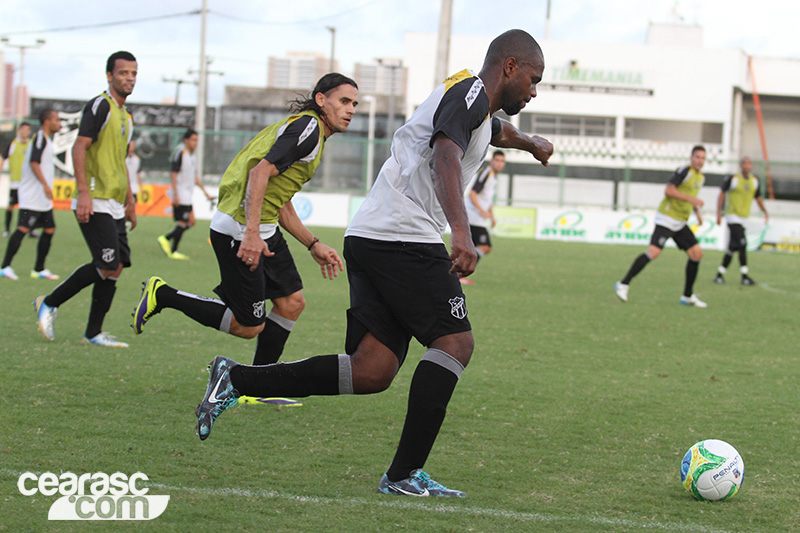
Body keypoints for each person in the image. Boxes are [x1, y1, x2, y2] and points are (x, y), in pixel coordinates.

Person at [191, 29, 553, 498]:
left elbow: (495, 130)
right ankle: (403, 475)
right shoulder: (468, 93)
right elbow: (446, 152)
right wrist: (461, 232)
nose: (534, 90)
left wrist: (530, 142)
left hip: (375, 235)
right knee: (455, 343)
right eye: (533, 78)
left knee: (371, 371)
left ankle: (234, 377)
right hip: (403, 235)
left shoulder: (477, 107)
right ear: (509, 66)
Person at [133, 73, 356, 366]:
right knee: (248, 326)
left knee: (291, 303)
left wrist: (312, 243)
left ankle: (259, 385)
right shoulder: (308, 129)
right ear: (321, 100)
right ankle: (163, 295)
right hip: (241, 229)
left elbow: (280, 200)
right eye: (344, 101)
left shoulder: (308, 130)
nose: (351, 109)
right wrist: (251, 234)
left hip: (262, 227)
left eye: (354, 103)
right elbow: (258, 173)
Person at [33, 51, 138, 347]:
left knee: (115, 267)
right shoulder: (99, 106)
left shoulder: (127, 116)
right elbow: (79, 148)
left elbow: (120, 160)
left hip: (115, 202)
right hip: (94, 198)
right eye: (123, 73)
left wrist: (130, 201)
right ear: (109, 76)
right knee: (106, 263)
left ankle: (93, 332)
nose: (129, 78)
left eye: (133, 73)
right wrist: (82, 193)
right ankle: (49, 302)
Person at [615, 145, 708, 307]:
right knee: (653, 253)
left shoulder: (701, 178)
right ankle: (623, 284)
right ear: (691, 158)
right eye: (697, 157)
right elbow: (669, 190)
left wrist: (698, 213)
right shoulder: (684, 171)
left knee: (696, 254)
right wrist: (692, 200)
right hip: (666, 218)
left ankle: (687, 296)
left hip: (680, 222)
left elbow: (692, 197)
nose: (700, 161)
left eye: (703, 158)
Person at [0, 110, 61, 281]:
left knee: (50, 229)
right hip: (32, 196)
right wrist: (45, 185)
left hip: (41, 199)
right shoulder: (40, 137)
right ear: (47, 121)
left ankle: (38, 269)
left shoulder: (46, 139)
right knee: (23, 229)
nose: (60, 123)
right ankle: (5, 267)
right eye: (57, 120)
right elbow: (35, 162)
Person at [156, 129, 213, 260]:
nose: (195, 143)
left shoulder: (192, 156)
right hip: (181, 194)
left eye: (197, 140)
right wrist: (175, 194)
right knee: (183, 222)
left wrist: (205, 192)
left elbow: (194, 177)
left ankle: (167, 238)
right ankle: (173, 248)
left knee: (191, 222)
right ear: (186, 140)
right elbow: (173, 174)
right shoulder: (181, 153)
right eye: (193, 140)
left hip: (187, 194)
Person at [714, 156, 768, 285]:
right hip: (733, 216)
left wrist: (765, 211)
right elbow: (722, 193)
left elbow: (758, 197)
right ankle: (744, 276)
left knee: (733, 247)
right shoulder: (733, 179)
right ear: (740, 165)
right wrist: (719, 213)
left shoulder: (754, 181)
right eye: (745, 163)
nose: (747, 166)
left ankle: (719, 274)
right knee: (742, 243)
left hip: (744, 218)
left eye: (749, 163)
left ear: (752, 166)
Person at [460, 150, 505, 285]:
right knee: (485, 246)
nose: (499, 164)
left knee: (471, 248)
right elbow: (473, 194)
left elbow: (486, 199)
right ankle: (460, 272)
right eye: (497, 160)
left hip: (477, 218)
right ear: (492, 161)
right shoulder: (487, 173)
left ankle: (459, 270)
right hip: (473, 217)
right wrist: (482, 211)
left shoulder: (492, 177)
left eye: (502, 161)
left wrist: (491, 215)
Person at [1, 122, 32, 238]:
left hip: (28, 183)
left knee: (29, 207)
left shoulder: (31, 145)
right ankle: (7, 230)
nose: (25, 132)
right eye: (23, 129)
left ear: (29, 131)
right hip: (15, 182)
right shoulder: (12, 144)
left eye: (27, 130)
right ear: (19, 130)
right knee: (11, 206)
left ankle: (30, 230)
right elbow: (3, 159)